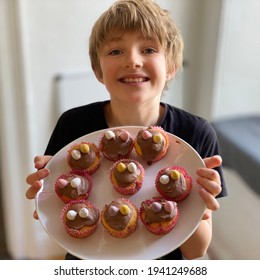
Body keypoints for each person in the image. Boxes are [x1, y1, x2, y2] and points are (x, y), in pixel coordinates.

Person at [25, 0, 227, 260]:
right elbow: (62, 219)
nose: (133, 60)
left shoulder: (196, 133)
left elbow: (195, 251)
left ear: (172, 67)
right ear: (98, 71)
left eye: (149, 49)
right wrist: (48, 192)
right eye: (116, 51)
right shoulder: (73, 125)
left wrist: (198, 204)